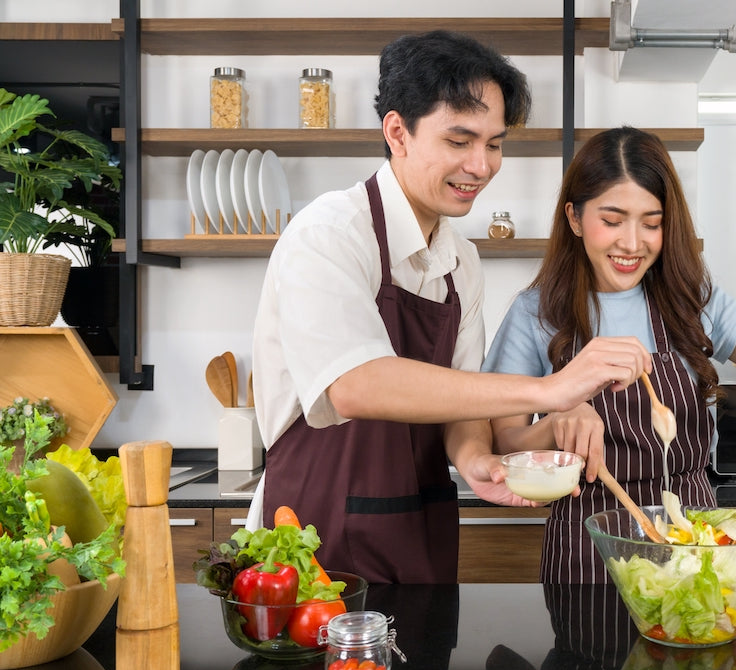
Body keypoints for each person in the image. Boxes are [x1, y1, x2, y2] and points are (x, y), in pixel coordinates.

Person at [249, 33, 651, 584]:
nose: (481, 166)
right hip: (313, 541)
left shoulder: (461, 261)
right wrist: (547, 390)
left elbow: (460, 401)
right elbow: (356, 384)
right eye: (460, 140)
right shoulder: (331, 233)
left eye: (494, 144)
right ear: (398, 133)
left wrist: (476, 460)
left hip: (419, 536)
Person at [482, 126, 736, 583]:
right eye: (611, 220)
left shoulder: (695, 300)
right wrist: (553, 425)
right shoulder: (536, 312)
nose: (632, 243)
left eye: (652, 223)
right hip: (588, 555)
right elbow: (502, 445)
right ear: (574, 218)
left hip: (698, 549)